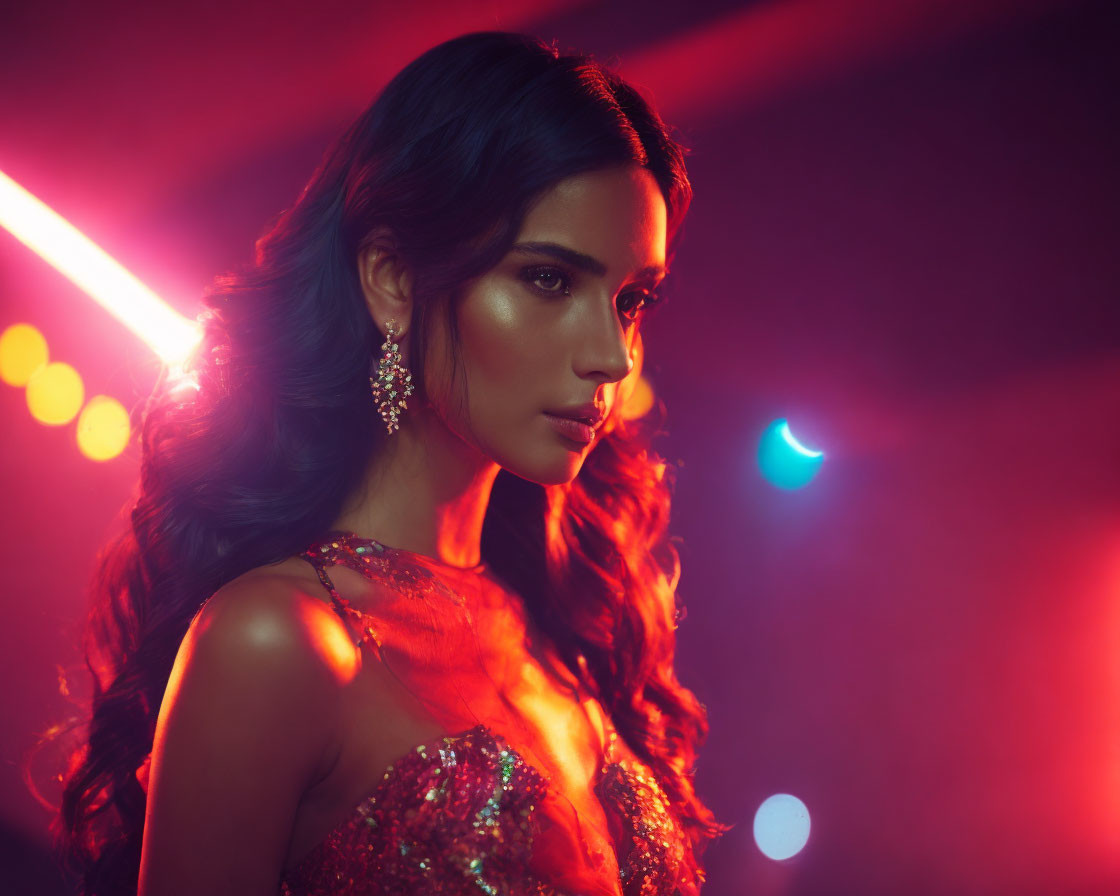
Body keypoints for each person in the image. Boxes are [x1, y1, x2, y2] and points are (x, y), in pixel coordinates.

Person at [53, 30, 729, 896]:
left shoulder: (561, 637)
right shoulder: (277, 642)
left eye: (630, 300)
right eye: (550, 281)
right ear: (392, 280)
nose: (612, 355)